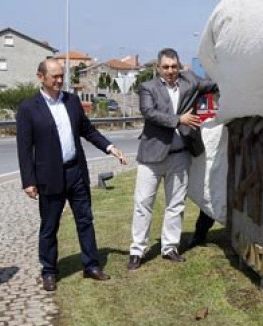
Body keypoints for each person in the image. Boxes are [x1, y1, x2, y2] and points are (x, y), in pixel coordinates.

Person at [16, 59, 128, 292]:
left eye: (61, 76)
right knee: (50, 226)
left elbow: (87, 130)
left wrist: (110, 148)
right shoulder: (29, 108)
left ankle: (91, 265)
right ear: (41, 77)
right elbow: (24, 148)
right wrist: (29, 181)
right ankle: (48, 271)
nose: (59, 81)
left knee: (85, 220)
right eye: (54, 76)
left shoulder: (72, 100)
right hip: (50, 176)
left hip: (75, 171)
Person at [128, 48, 218, 270]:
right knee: (143, 204)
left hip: (180, 156)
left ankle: (170, 247)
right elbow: (150, 113)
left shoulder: (189, 82)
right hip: (152, 157)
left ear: (180, 66)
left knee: (176, 204)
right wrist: (180, 119)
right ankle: (137, 250)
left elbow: (214, 85)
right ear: (158, 68)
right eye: (166, 67)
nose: (170, 71)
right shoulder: (148, 87)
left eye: (174, 66)